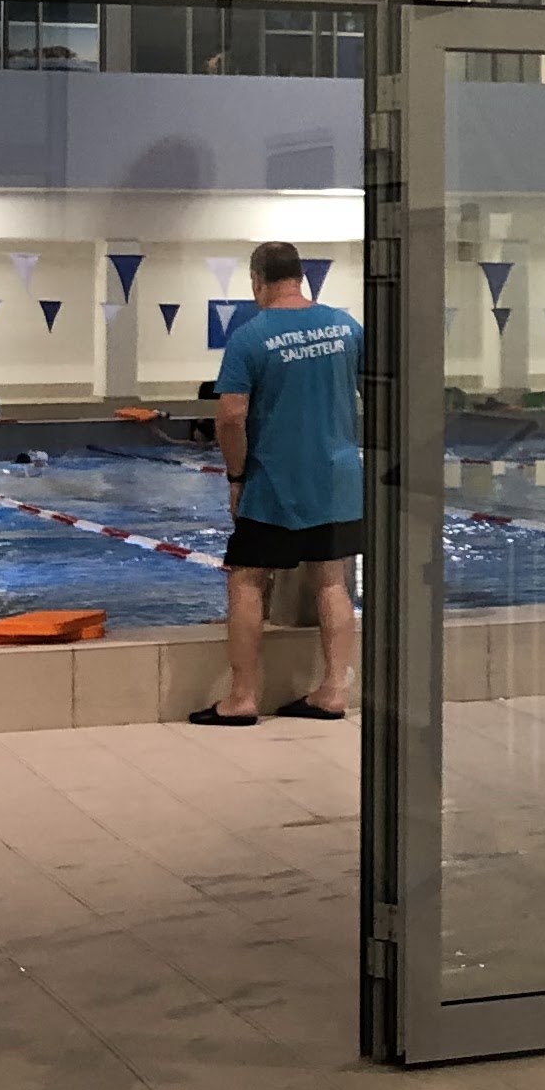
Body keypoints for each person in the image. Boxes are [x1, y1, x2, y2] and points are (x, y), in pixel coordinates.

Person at [190, 239, 362, 726]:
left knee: (247, 578)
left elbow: (230, 416)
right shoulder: (346, 326)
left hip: (274, 482)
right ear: (301, 277)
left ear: (256, 281)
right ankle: (333, 691)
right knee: (331, 579)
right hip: (337, 478)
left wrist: (236, 476)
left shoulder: (251, 336)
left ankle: (242, 698)